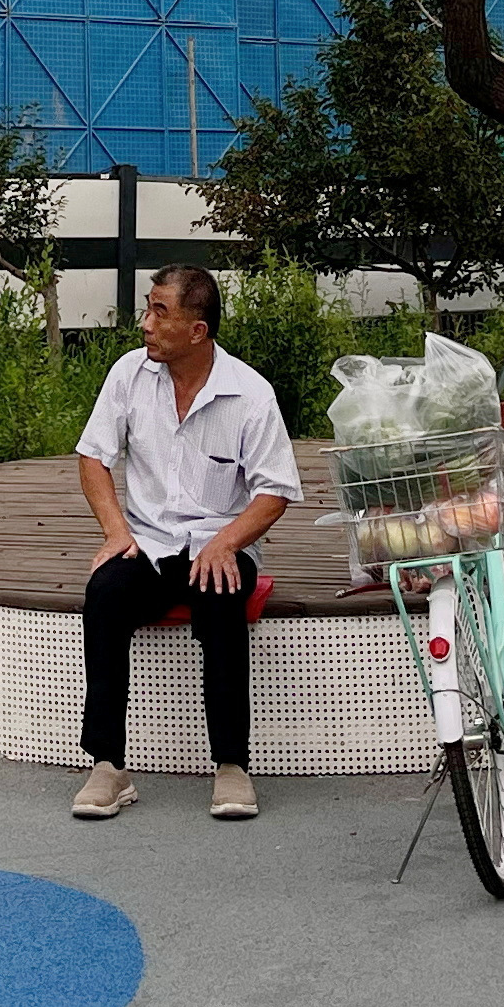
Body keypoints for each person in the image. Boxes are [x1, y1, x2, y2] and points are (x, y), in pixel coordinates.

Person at [69, 261, 303, 823]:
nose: (145, 324)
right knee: (104, 593)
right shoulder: (128, 374)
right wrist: (116, 531)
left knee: (220, 595)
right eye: (148, 308)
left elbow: (275, 490)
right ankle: (107, 765)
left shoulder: (249, 393)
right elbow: (93, 457)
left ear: (197, 331)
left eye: (159, 312)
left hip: (219, 541)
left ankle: (231, 765)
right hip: (147, 543)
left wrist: (226, 542)